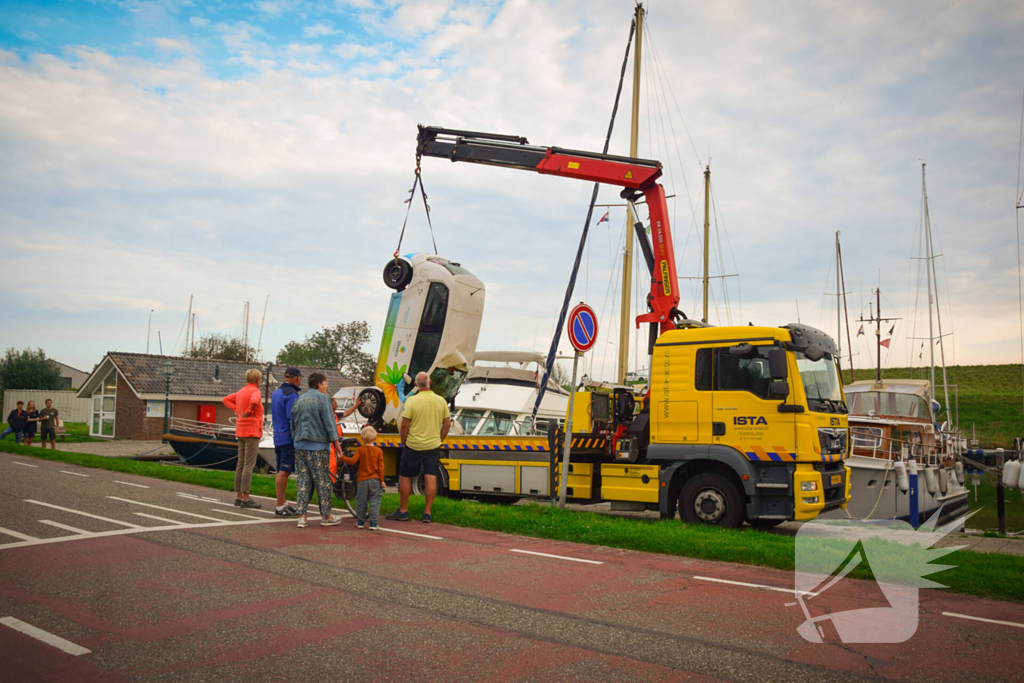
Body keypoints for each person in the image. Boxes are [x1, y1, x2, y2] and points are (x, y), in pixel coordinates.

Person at [386, 372, 450, 523]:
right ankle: (427, 513)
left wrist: (403, 442)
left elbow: (404, 425)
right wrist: (439, 439)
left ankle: (403, 511)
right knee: (430, 477)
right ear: (430, 382)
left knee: (405, 476)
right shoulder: (440, 401)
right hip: (433, 446)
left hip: (413, 445)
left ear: (415, 385)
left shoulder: (411, 401)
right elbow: (447, 424)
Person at [290, 372, 344, 528]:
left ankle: (302, 516)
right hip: (318, 445)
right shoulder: (323, 400)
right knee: (322, 480)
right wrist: (336, 443)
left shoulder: (299, 400)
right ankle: (326, 515)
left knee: (303, 479)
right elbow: (329, 422)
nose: (327, 386)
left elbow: (293, 423)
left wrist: (296, 440)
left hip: (300, 445)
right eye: (326, 383)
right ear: (319, 385)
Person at [223, 369, 264, 509]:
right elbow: (254, 401)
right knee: (249, 464)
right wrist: (249, 412)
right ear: (258, 380)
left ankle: (238, 496)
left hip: (240, 430)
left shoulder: (240, 392)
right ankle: (246, 498)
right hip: (252, 431)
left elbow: (225, 399)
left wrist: (237, 410)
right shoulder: (255, 391)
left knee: (240, 463)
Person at [338, 425, 386, 530]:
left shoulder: (360, 450)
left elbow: (352, 461)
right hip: (375, 480)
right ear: (375, 438)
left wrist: (342, 458)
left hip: (362, 480)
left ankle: (360, 522)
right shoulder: (379, 451)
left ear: (362, 438)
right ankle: (373, 523)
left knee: (361, 501)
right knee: (374, 502)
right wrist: (382, 481)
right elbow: (381, 467)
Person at [270, 367, 302, 517]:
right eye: (300, 377)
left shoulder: (276, 392)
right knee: (285, 471)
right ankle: (279, 507)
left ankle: (283, 502)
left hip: (277, 436)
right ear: (296, 378)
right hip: (288, 438)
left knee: (280, 471)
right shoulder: (292, 395)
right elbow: (293, 418)